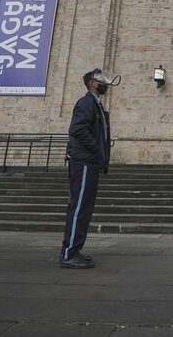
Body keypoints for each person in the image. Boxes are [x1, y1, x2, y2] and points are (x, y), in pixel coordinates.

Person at [60, 67, 121, 269]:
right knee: (79, 208)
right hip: (84, 161)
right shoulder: (86, 102)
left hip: (91, 162)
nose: (105, 82)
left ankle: (74, 250)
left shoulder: (97, 106)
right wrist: (96, 150)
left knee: (84, 209)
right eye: (101, 78)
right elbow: (77, 130)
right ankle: (69, 253)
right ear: (92, 83)